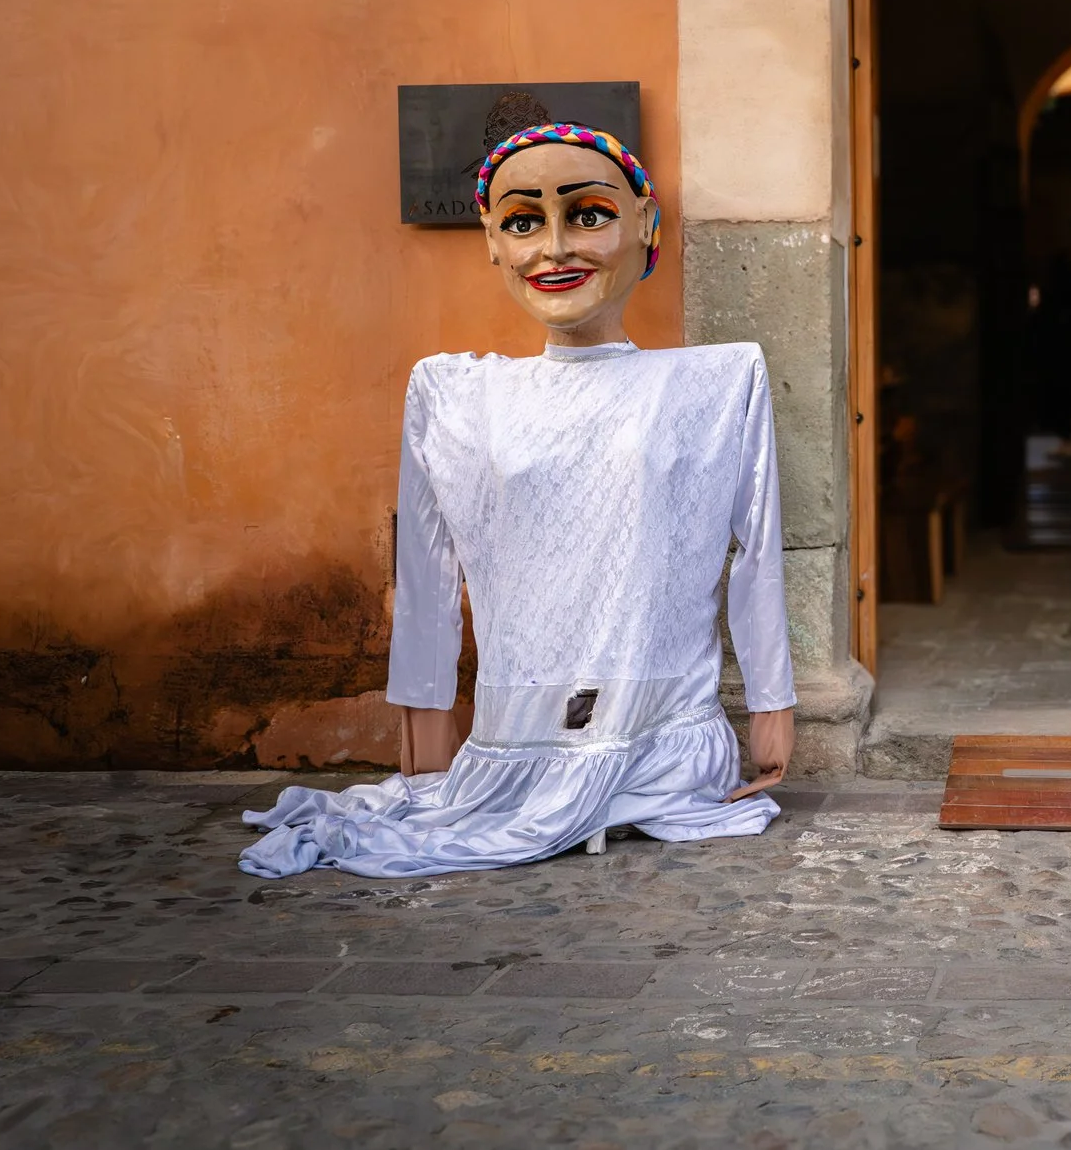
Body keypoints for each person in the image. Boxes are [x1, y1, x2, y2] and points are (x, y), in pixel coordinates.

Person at [240, 122, 796, 877]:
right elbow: (428, 571)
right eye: (524, 221)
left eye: (589, 214)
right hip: (513, 750)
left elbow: (758, 550)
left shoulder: (716, 382)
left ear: (646, 224)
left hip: (665, 746)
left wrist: (772, 705)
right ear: (493, 243)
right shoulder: (458, 392)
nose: (555, 247)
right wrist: (427, 720)